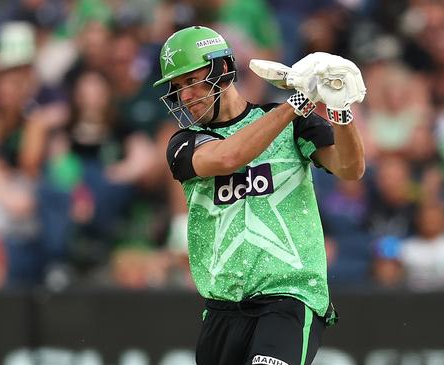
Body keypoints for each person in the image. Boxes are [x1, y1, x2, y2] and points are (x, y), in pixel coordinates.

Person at [155, 26, 366, 365]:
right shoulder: (182, 143)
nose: (185, 97)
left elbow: (350, 169)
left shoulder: (294, 124)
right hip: (222, 308)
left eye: (191, 82)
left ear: (222, 71)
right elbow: (228, 157)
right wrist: (298, 102)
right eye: (177, 88)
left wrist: (340, 110)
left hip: (289, 298)